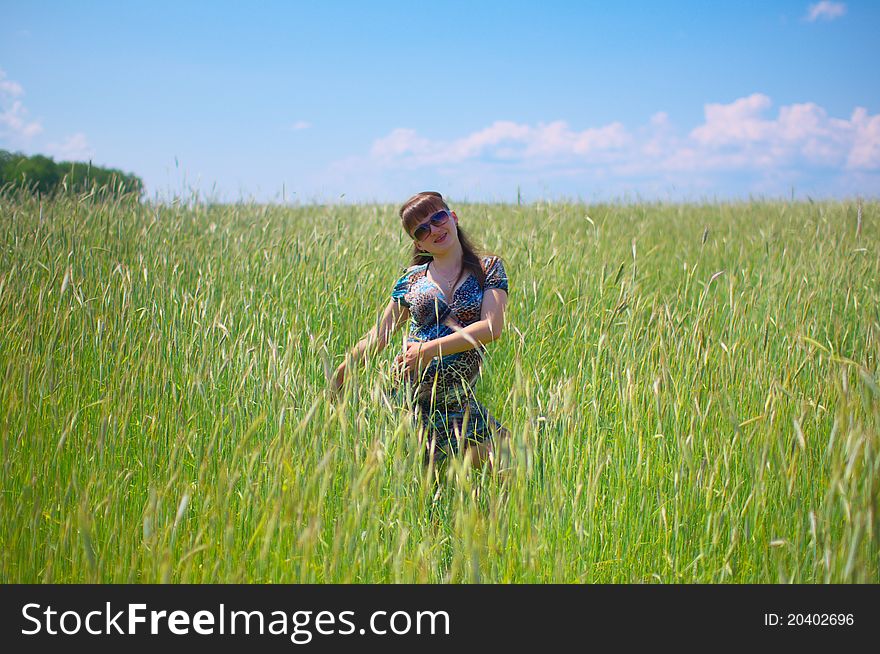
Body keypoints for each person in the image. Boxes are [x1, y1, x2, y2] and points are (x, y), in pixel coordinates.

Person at [331, 191, 510, 473]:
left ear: (452, 217)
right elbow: (380, 334)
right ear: (419, 244)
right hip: (413, 397)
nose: (434, 230)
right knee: (431, 488)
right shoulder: (412, 280)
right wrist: (344, 370)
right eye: (422, 230)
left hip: (459, 398)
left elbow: (491, 327)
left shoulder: (488, 268)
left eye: (438, 218)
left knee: (510, 464)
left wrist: (426, 351)